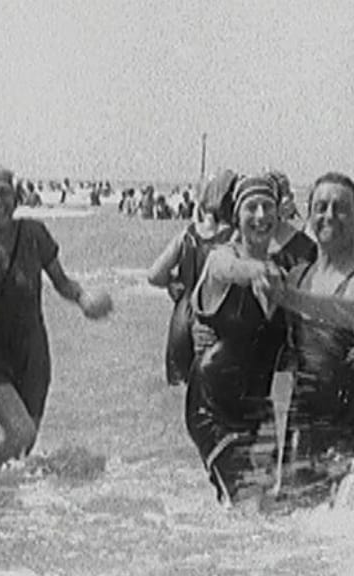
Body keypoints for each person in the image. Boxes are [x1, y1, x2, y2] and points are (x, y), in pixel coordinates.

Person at [0, 166, 112, 467]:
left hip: (31, 354)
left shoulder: (34, 234)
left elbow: (62, 282)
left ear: (16, 198)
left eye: (4, 193)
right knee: (21, 434)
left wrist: (83, 298)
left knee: (22, 448)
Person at [185, 175, 291, 506]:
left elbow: (284, 356)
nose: (260, 215)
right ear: (236, 215)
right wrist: (254, 271)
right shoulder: (221, 258)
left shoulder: (283, 270)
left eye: (267, 206)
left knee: (268, 512)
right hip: (212, 408)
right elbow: (226, 269)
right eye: (251, 207)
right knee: (247, 504)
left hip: (259, 411)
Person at [266, 172, 354, 500]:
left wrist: (288, 298)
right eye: (321, 207)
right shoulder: (297, 276)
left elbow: (344, 311)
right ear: (309, 214)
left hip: (348, 432)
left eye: (341, 208)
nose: (329, 215)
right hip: (302, 429)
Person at [147, 170, 236, 386]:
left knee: (182, 388)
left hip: (182, 317)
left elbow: (154, 275)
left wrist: (173, 282)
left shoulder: (187, 235)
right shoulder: (234, 238)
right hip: (214, 319)